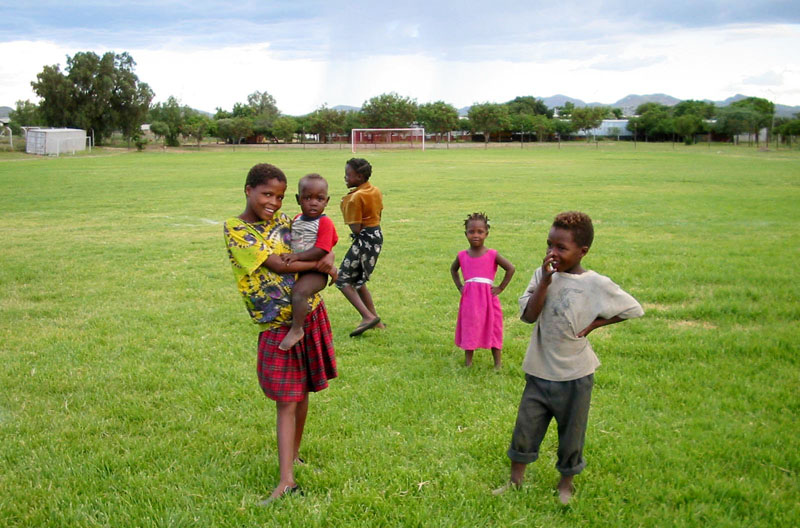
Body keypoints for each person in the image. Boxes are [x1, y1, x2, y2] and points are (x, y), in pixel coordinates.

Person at [494, 211, 644, 504]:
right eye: (549, 244)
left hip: (576, 376)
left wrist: (594, 324)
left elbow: (632, 308)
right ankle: (515, 480)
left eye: (561, 248)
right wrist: (546, 283)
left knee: (571, 435)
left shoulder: (595, 283)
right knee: (525, 429)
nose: (552, 252)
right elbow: (528, 316)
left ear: (582, 251)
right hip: (538, 372)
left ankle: (565, 485)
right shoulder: (541, 276)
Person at [223, 163, 338, 504]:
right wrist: (320, 263)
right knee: (286, 401)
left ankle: (295, 456)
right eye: (266, 194)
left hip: (310, 314)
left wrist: (325, 258)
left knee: (302, 394)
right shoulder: (236, 229)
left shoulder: (287, 221)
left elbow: (322, 244)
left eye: (280, 196)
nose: (273, 202)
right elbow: (277, 264)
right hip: (278, 326)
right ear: (248, 190)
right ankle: (286, 480)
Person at [278, 173, 339, 351]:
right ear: (298, 199)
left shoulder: (324, 222)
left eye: (319, 199)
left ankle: (297, 329)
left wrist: (298, 256)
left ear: (327, 201)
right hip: (301, 268)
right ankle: (298, 318)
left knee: (299, 292)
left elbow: (322, 248)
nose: (314, 203)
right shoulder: (297, 219)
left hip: (316, 272)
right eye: (308, 198)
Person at [450, 212, 515, 369]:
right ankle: (468, 363)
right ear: (466, 234)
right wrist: (460, 286)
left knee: (493, 327)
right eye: (471, 232)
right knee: (470, 326)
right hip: (470, 300)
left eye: (480, 232)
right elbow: (453, 270)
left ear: (487, 233)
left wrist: (500, 287)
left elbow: (510, 268)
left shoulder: (492, 254)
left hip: (488, 298)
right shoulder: (462, 255)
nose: (476, 235)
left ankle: (497, 364)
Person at [335, 158, 385, 337]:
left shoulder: (355, 197)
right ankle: (375, 320)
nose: (345, 178)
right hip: (376, 235)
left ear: (359, 176)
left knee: (342, 279)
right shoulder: (375, 190)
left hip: (364, 239)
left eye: (349, 175)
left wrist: (345, 204)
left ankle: (366, 317)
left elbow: (355, 227)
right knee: (358, 280)